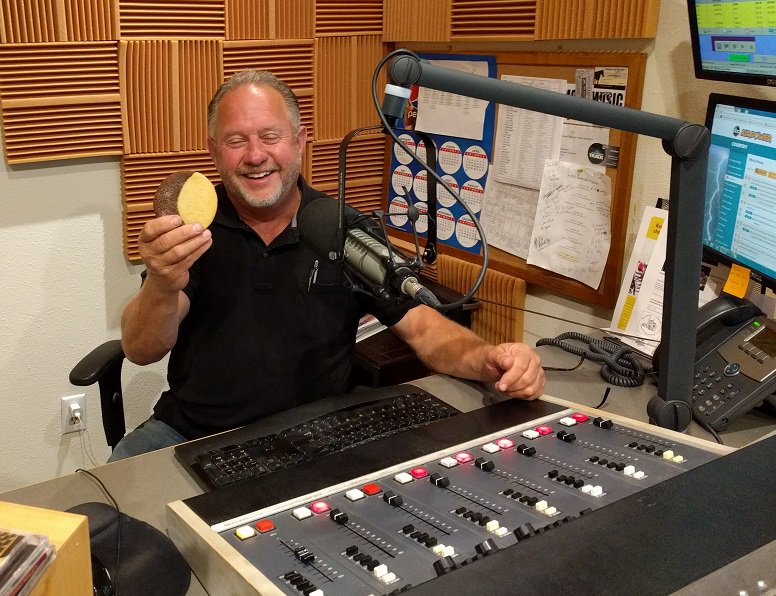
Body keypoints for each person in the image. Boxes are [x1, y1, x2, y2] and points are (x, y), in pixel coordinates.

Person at [111, 69, 545, 461]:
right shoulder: (192, 230)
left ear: (300, 142)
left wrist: (490, 359)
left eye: (270, 136)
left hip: (312, 438)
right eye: (236, 140)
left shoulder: (342, 229)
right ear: (213, 150)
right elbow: (141, 348)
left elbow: (426, 329)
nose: (255, 155)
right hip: (189, 434)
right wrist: (163, 285)